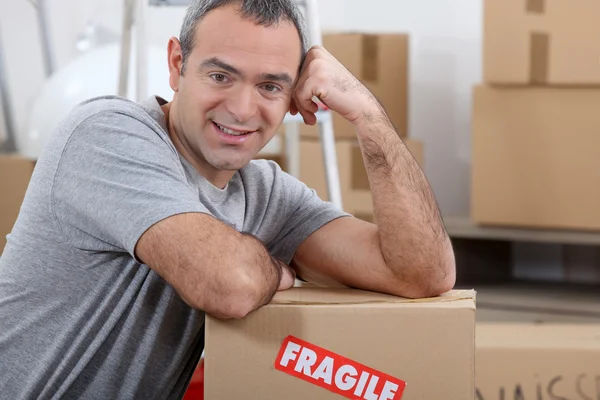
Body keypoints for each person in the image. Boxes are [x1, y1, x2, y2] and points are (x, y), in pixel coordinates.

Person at [0, 0, 455, 398]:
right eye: (221, 75)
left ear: (294, 96)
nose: (241, 109)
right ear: (177, 64)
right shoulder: (105, 134)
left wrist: (367, 114)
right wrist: (279, 271)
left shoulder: (266, 193)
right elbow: (229, 287)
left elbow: (421, 273)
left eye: (270, 86)